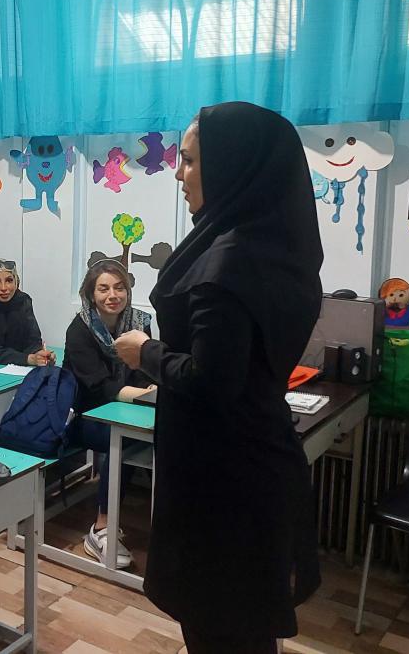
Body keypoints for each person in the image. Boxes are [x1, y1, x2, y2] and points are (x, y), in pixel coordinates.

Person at [114, 103, 324, 653]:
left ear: (232, 165)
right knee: (244, 630)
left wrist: (145, 351)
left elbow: (210, 381)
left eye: (188, 161)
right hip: (254, 462)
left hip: (222, 483)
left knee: (219, 628)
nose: (178, 175)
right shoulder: (274, 245)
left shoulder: (226, 262)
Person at [62, 260, 156, 570]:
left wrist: (149, 388)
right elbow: (99, 387)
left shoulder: (139, 324)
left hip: (124, 409)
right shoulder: (80, 329)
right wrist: (145, 396)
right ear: (91, 294)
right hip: (83, 417)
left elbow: (143, 370)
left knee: (158, 434)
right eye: (103, 289)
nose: (113, 295)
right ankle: (101, 528)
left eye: (119, 288)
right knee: (124, 440)